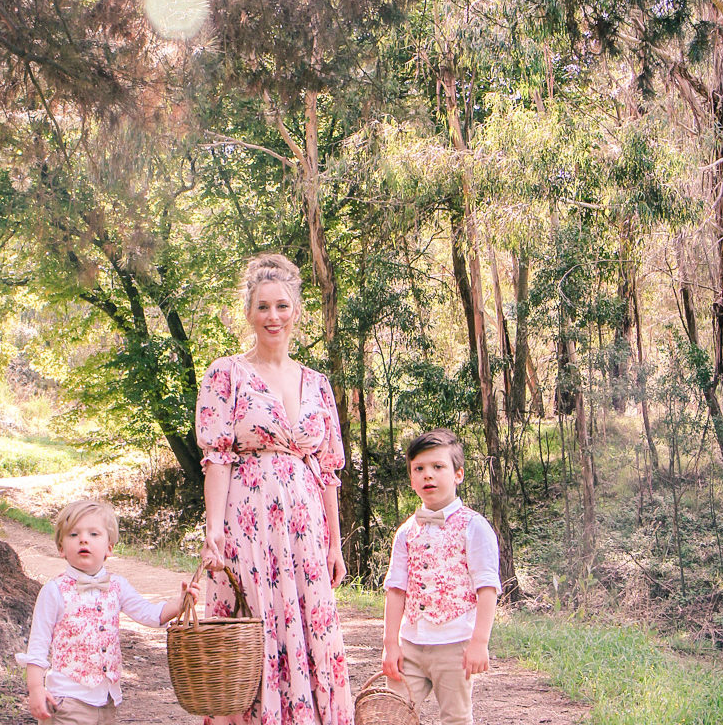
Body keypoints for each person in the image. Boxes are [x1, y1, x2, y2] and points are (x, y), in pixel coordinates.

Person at [196, 253, 353, 725]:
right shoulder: (226, 373)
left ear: (296, 311)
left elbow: (328, 470)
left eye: (282, 306)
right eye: (263, 307)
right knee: (254, 628)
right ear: (248, 313)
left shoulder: (318, 384)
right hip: (249, 521)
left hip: (306, 528)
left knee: (310, 629)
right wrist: (214, 531)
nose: (273, 317)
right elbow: (218, 458)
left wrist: (335, 541)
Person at [16, 499, 195, 725]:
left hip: (106, 701)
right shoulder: (54, 591)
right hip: (66, 701)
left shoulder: (117, 586)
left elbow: (149, 614)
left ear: (109, 547)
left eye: (94, 534)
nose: (83, 539)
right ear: (61, 548)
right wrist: (35, 689)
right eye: (73, 535)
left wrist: (178, 604)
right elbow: (38, 645)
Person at [381, 428, 501, 725]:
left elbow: (487, 587)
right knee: (392, 714)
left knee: (455, 718)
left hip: (455, 644)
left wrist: (479, 642)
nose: (428, 475)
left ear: (458, 474)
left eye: (438, 467)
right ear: (411, 479)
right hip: (410, 645)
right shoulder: (407, 532)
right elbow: (396, 589)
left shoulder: (475, 526)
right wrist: (390, 644)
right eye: (419, 469)